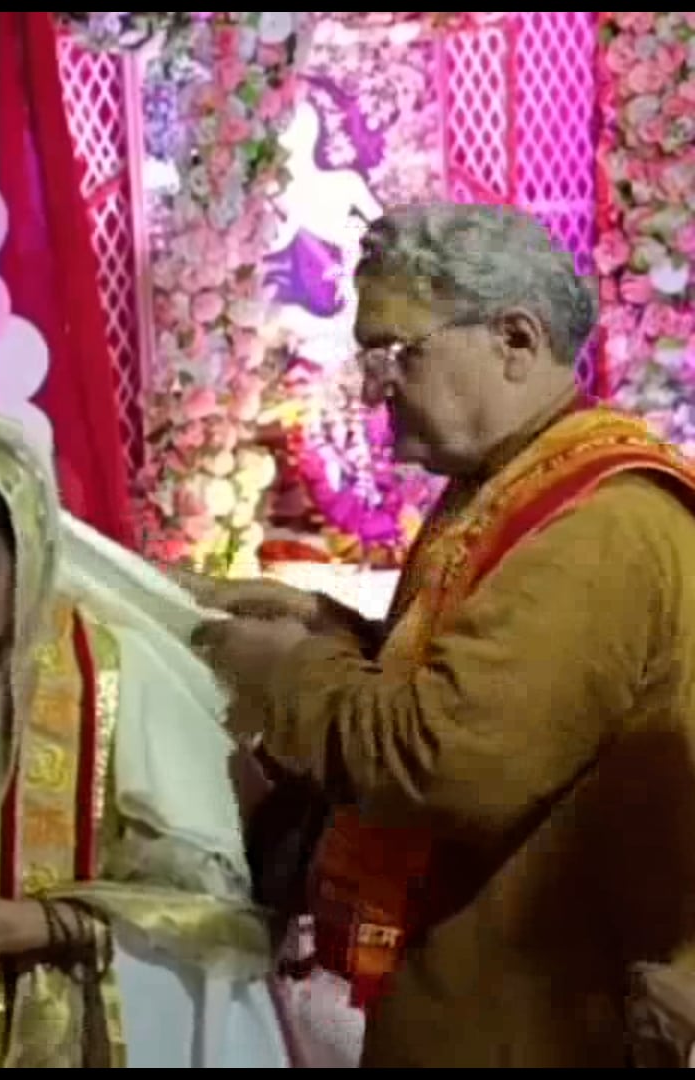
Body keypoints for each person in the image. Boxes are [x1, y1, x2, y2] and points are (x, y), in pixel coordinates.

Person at [186, 202, 695, 1067]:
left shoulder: (601, 525)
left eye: (396, 351)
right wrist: (328, 628)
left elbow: (443, 762)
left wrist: (289, 671)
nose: (373, 386)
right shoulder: (510, 484)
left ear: (516, 339)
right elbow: (462, 688)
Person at [0, 414, 288, 1068]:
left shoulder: (117, 673)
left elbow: (214, 908)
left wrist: (35, 924)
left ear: (25, 559)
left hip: (90, 1024)